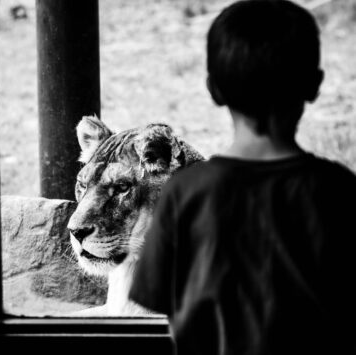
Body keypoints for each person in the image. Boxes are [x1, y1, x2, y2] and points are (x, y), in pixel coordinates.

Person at [129, 0, 356, 354]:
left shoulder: (185, 192)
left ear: (213, 89)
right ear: (314, 85)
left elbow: (162, 304)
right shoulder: (339, 189)